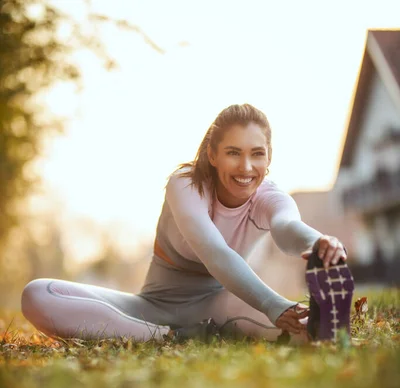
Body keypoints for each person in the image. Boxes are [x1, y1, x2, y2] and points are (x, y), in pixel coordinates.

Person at [21, 104, 353, 344]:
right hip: (150, 307)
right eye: (233, 153)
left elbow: (286, 228)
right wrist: (272, 304)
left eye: (258, 154)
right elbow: (214, 251)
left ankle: (313, 331)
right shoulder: (185, 185)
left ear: (269, 157)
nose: (247, 167)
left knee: (311, 335)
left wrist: (317, 242)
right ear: (212, 154)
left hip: (221, 305)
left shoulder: (271, 197)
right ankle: (172, 336)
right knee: (37, 295)